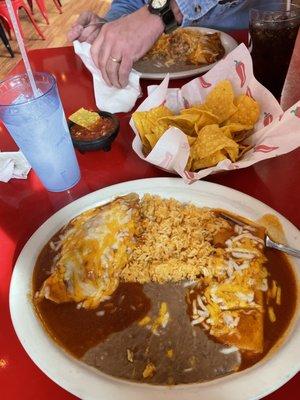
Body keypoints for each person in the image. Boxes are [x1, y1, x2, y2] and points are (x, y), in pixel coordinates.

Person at [68, 0, 260, 89]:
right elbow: (129, 3)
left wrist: (166, 11)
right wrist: (112, 30)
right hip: (155, 86)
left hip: (251, 62)